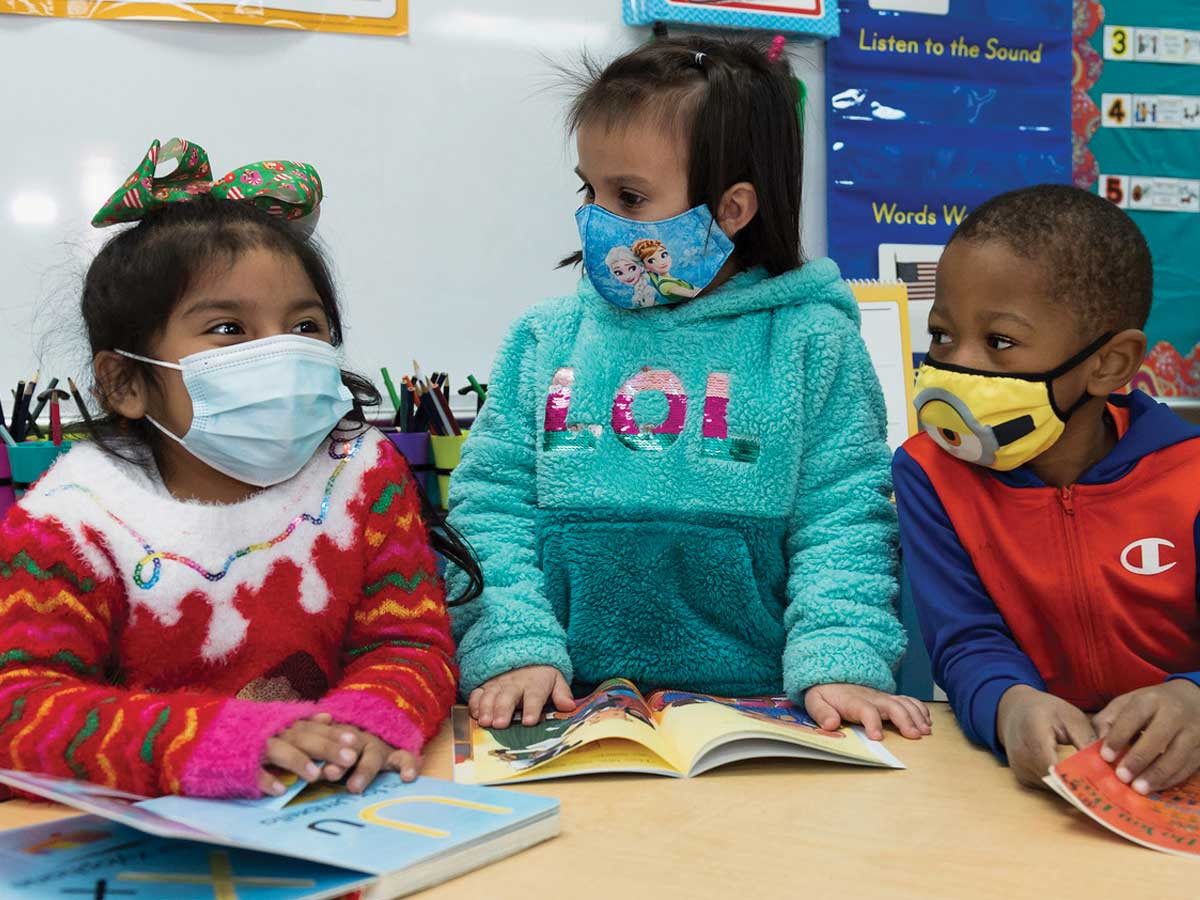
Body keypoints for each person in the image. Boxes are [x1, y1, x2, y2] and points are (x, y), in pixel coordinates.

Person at [448, 37, 930, 742]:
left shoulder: (812, 344)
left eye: (630, 197)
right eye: (590, 189)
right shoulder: (544, 337)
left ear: (732, 210)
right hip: (558, 699)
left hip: (762, 709)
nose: (596, 218)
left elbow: (846, 519)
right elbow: (490, 507)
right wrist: (512, 646)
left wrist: (842, 658)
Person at [0, 138, 480, 798]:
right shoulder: (71, 524)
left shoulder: (362, 474)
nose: (281, 353)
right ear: (124, 383)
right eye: (228, 328)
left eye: (305, 325)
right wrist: (205, 740)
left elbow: (408, 643)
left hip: (330, 816)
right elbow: (17, 707)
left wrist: (365, 723)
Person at [894, 184, 1200, 793]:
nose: (959, 367)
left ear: (1109, 365)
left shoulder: (1188, 476)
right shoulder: (929, 473)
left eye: (1000, 342)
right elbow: (966, 640)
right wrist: (1009, 706)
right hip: (1035, 789)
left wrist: (1193, 698)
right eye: (942, 335)